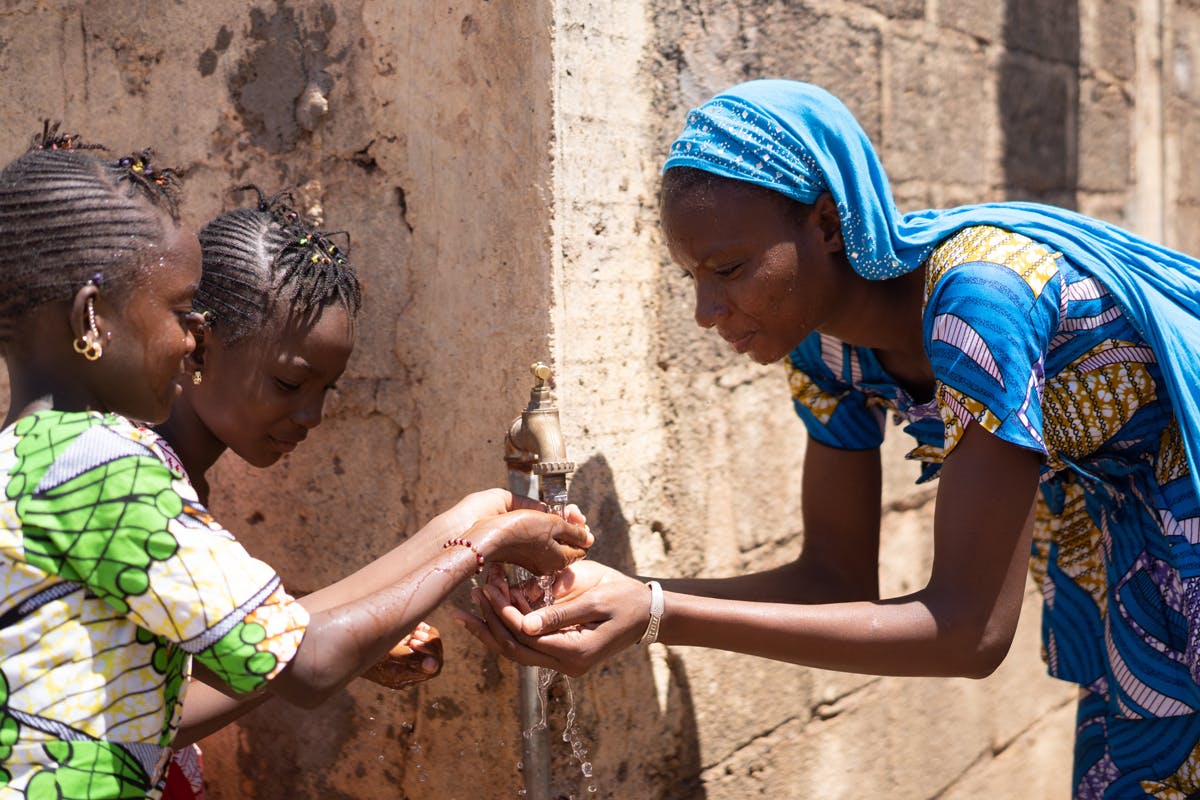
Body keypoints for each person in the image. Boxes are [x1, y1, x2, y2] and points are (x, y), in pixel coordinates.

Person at [459, 79, 1200, 798]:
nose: (707, 310)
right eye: (692, 277)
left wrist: (656, 613)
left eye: (728, 269)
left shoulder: (982, 300)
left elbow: (969, 633)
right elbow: (833, 583)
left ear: (825, 225)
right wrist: (624, 598)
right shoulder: (827, 352)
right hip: (1143, 574)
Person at [0, 129, 591, 799]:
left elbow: (267, 643)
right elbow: (304, 662)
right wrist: (482, 542)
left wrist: (459, 523)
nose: (191, 335)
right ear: (91, 318)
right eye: (178, 314)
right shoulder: (110, 464)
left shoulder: (32, 460)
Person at [153, 190, 442, 800]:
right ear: (202, 345)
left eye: (327, 390)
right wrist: (473, 534)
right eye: (289, 382)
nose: (310, 415)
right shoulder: (141, 475)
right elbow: (168, 719)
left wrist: (330, 631)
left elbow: (187, 655)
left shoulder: (177, 470)